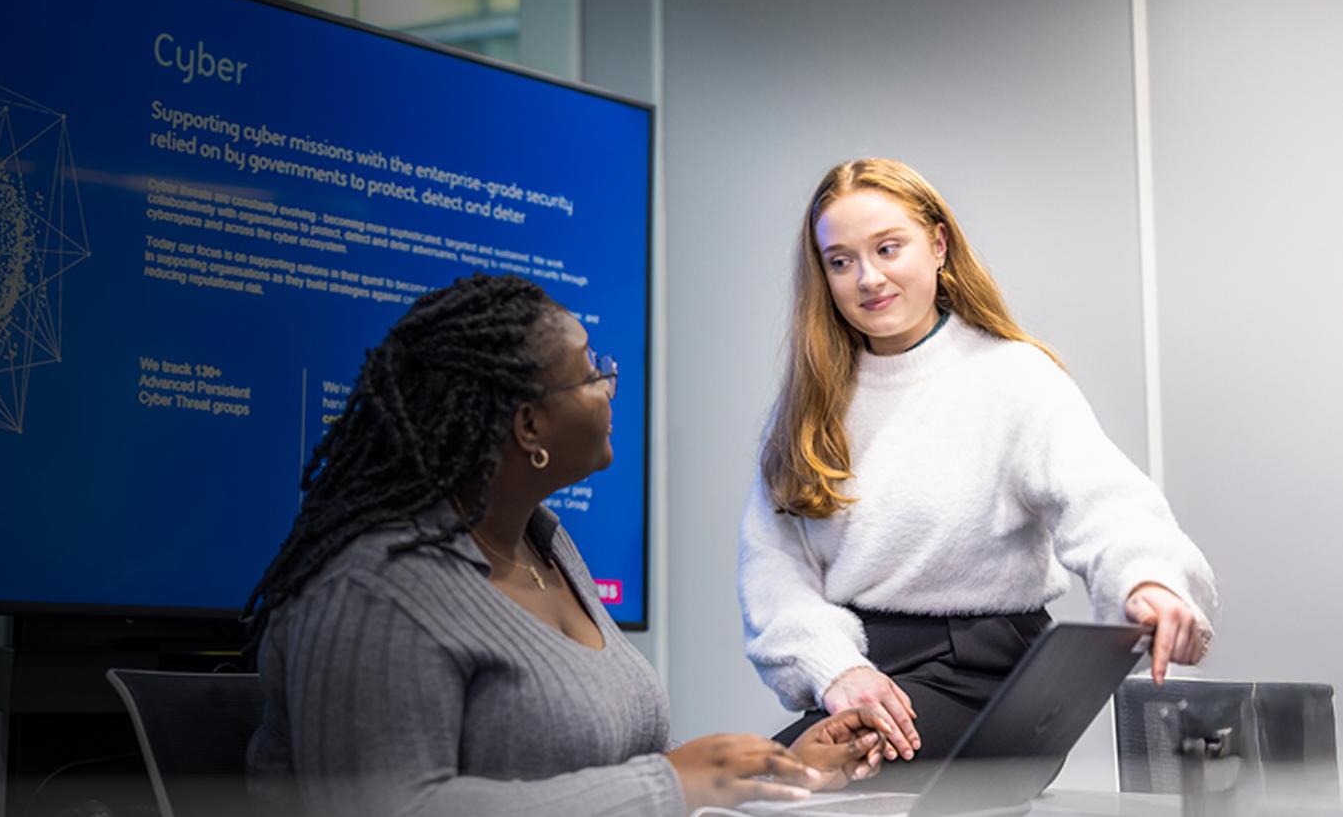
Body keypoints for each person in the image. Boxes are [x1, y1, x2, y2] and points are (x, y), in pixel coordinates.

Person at [245, 273, 895, 817]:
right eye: (590, 373)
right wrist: (670, 783)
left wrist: (775, 770)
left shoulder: (546, 547)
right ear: (529, 424)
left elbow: (621, 774)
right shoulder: (374, 591)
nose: (609, 385)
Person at [739, 158, 1219, 775]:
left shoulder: (1012, 376)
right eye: (841, 261)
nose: (868, 278)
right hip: (866, 675)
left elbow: (1107, 503)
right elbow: (774, 572)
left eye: (889, 248)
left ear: (937, 245)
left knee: (787, 792)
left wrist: (1147, 581)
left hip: (990, 681)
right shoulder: (810, 402)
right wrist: (837, 669)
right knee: (747, 789)